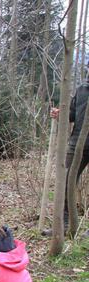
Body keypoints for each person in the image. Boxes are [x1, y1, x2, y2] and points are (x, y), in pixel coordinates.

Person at [50, 83, 89, 229]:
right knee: (66, 181)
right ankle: (64, 225)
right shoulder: (82, 90)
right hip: (77, 142)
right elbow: (72, 114)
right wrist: (60, 114)